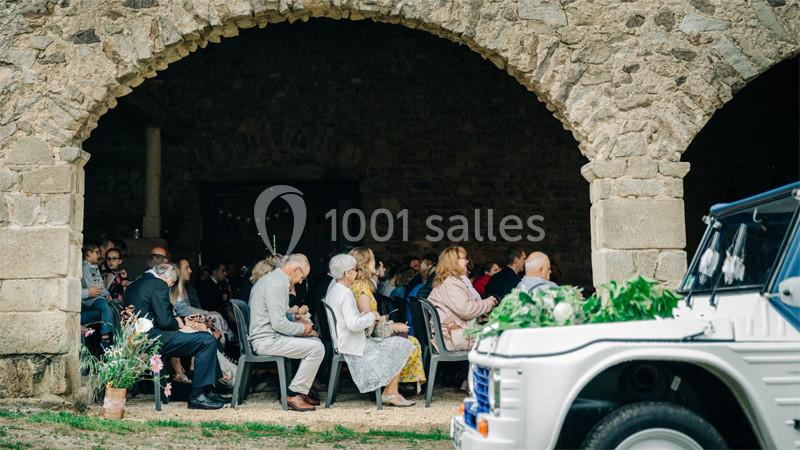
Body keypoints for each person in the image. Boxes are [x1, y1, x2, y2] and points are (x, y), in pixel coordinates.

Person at [124, 263, 225, 410]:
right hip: (155, 338)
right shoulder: (159, 284)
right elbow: (165, 321)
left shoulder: (135, 283)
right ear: (167, 278)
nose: (171, 287)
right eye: (172, 283)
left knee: (204, 338)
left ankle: (208, 391)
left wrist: (180, 322)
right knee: (207, 339)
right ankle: (198, 395)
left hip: (139, 338)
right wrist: (180, 323)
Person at [324, 254, 415, 406]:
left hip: (343, 341)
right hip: (353, 344)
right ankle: (390, 393)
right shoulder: (345, 293)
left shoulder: (334, 290)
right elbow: (353, 324)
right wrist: (371, 316)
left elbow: (347, 319)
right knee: (402, 344)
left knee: (396, 342)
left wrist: (364, 316)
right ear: (347, 273)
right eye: (355, 269)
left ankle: (390, 392)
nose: (357, 272)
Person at [249, 254, 324, 412]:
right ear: (295, 270)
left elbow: (278, 316)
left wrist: (293, 317)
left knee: (315, 343)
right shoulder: (277, 283)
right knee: (317, 348)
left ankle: (299, 390)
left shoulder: (274, 279)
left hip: (268, 337)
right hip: (266, 340)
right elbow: (278, 324)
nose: (301, 281)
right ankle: (293, 394)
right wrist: (303, 329)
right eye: (302, 277)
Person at [349, 247, 427, 392]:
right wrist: (392, 327)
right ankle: (397, 387)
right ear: (365, 264)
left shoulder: (362, 286)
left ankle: (398, 386)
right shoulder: (361, 289)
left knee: (408, 339)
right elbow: (367, 324)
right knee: (409, 342)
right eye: (372, 260)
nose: (376, 264)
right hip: (365, 340)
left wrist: (387, 321)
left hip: (366, 336)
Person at [428, 246, 497, 351]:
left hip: (452, 334)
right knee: (499, 338)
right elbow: (467, 310)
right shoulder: (451, 284)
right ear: (453, 262)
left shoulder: (447, 282)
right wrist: (489, 302)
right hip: (453, 339)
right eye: (464, 258)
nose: (467, 261)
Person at [80, 242, 115, 350]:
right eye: (96, 252)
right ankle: (105, 335)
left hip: (98, 297)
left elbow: (100, 286)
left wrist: (105, 293)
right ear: (88, 254)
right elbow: (92, 287)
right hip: (90, 300)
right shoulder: (85, 267)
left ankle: (111, 335)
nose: (98, 255)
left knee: (112, 307)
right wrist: (105, 293)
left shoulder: (94, 267)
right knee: (104, 305)